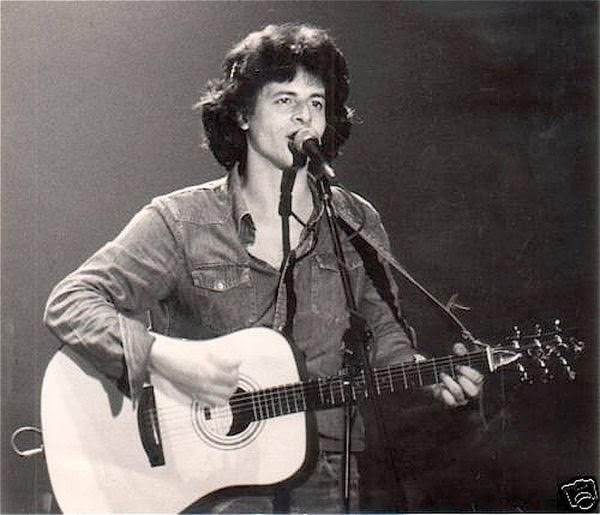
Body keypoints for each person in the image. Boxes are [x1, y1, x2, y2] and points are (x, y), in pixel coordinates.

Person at [44, 23, 483, 513]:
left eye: (317, 102)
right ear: (242, 114)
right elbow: (70, 303)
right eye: (284, 100)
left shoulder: (356, 222)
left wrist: (427, 378)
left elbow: (385, 340)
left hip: (324, 475)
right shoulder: (182, 221)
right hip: (205, 481)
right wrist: (165, 357)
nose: (304, 116)